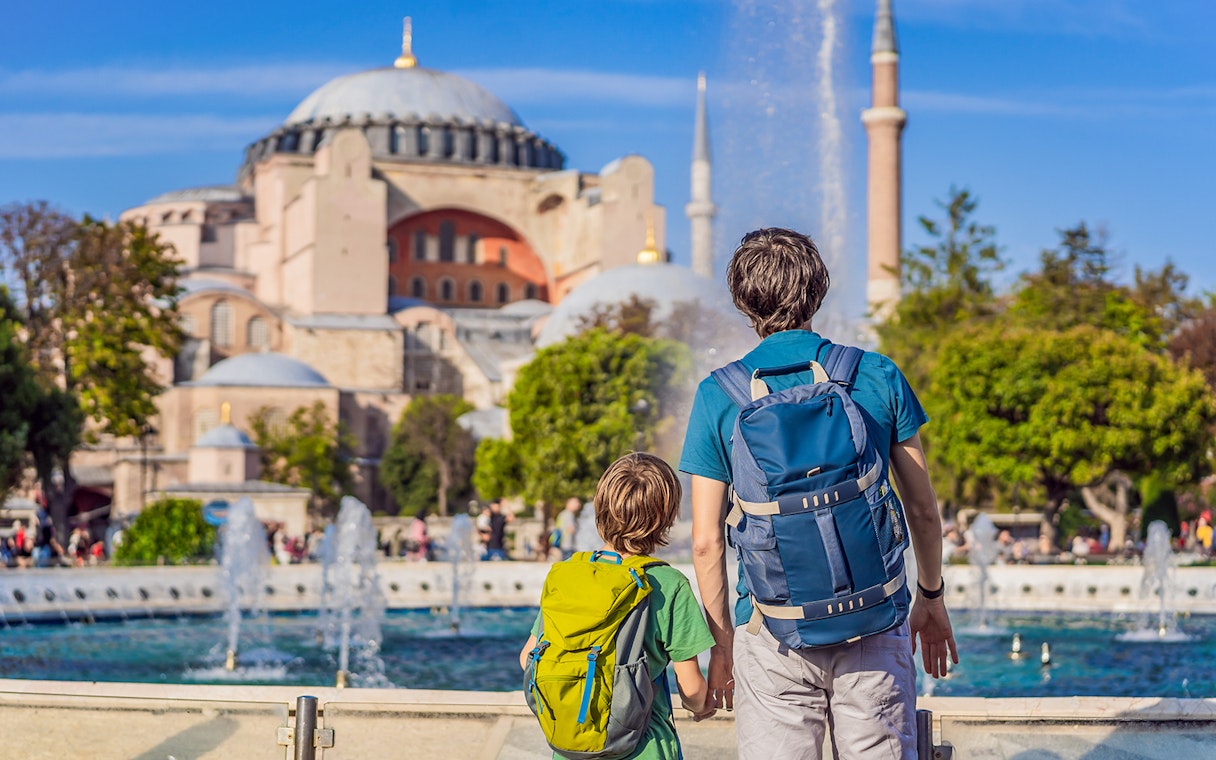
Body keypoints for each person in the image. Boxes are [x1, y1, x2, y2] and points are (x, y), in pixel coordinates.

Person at [680, 228, 959, 759]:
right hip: (874, 621)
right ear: (819, 290)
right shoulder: (875, 375)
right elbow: (922, 510)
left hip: (772, 629)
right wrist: (930, 597)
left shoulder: (719, 393)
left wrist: (722, 647)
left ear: (742, 300)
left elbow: (706, 544)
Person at [519, 452, 716, 758]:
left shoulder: (567, 575)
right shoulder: (666, 583)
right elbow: (691, 688)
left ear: (600, 509)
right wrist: (702, 706)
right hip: (644, 746)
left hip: (571, 745)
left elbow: (527, 657)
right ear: (666, 516)